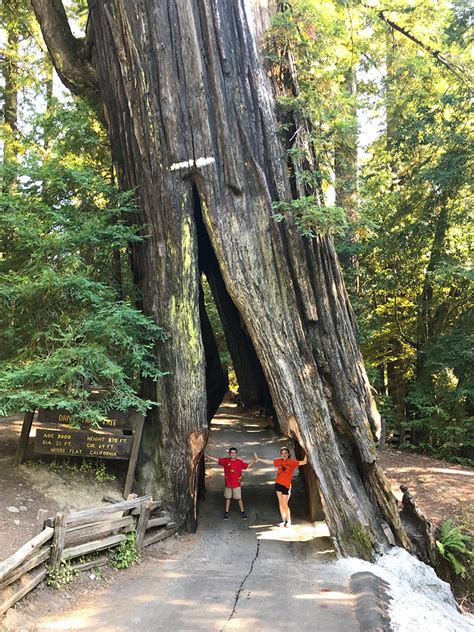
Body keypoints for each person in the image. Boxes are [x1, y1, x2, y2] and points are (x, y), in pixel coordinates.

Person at [255, 447, 307, 527]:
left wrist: (307, 450)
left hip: (286, 485)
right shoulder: (279, 461)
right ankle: (283, 520)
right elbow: (269, 462)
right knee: (280, 502)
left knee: (285, 503)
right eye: (282, 453)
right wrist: (258, 459)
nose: (284, 455)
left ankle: (288, 521)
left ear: (288, 454)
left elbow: (304, 462)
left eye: (285, 453)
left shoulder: (292, 462)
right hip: (278, 484)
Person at [206, 447, 256, 520]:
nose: (233, 454)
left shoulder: (239, 462)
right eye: (231, 453)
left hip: (236, 484)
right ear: (229, 454)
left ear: (236, 454)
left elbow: (247, 466)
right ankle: (226, 513)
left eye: (234, 453)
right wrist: (207, 456)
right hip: (228, 483)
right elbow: (217, 459)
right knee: (228, 498)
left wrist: (254, 460)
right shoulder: (225, 461)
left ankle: (243, 512)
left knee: (239, 498)